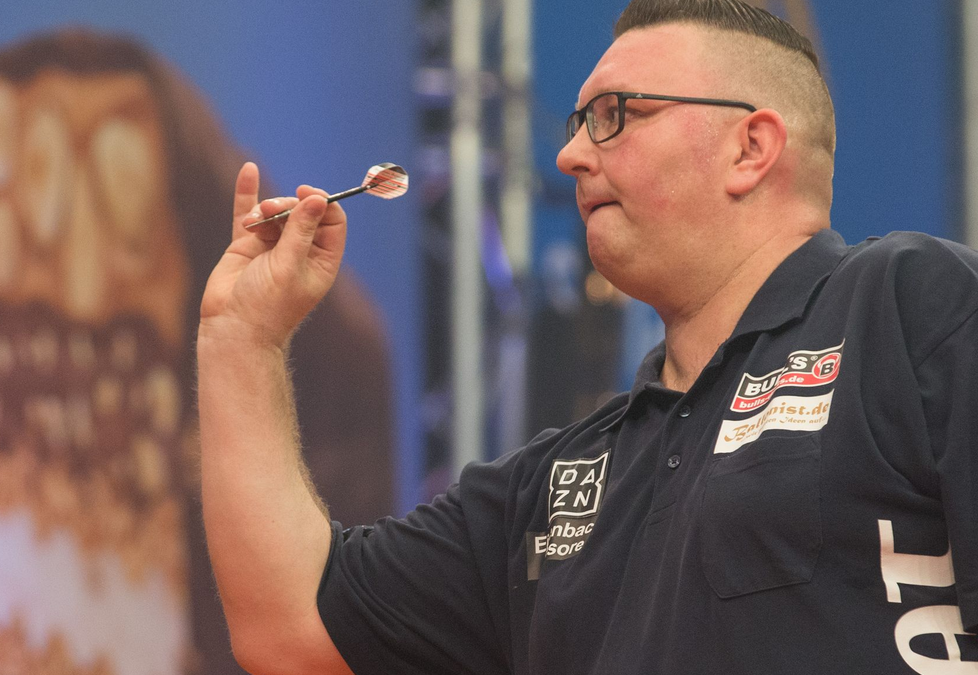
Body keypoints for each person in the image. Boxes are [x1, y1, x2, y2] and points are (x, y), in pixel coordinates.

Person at [197, 0, 978, 673]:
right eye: (578, 125)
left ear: (751, 147)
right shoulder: (557, 482)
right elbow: (290, 627)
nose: (570, 155)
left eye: (614, 116)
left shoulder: (908, 305)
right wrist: (240, 339)